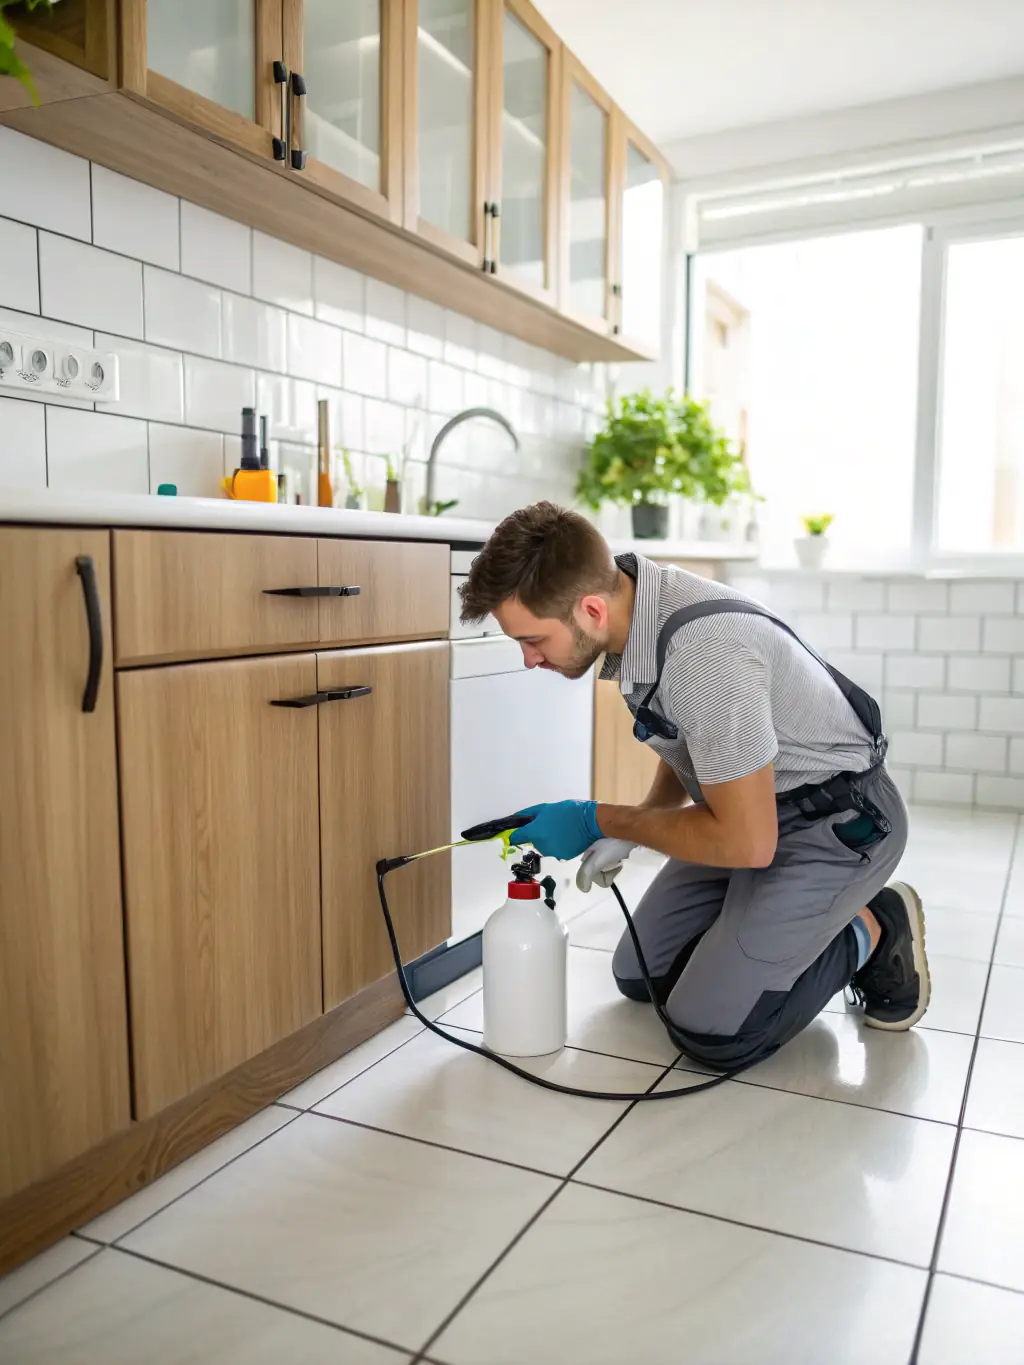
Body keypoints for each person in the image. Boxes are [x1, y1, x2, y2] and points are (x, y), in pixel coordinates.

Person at [458, 501, 930, 1071]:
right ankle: (761, 927)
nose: (529, 659)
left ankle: (873, 924)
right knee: (641, 975)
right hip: (752, 809)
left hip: (834, 824)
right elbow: (690, 737)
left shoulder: (705, 657)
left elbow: (746, 842)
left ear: (590, 609)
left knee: (709, 1031)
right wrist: (641, 821)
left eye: (534, 639)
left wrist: (599, 819)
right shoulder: (638, 605)